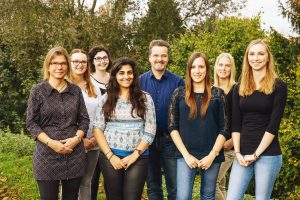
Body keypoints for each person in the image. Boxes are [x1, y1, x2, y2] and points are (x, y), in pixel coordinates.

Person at [227, 39, 287, 200]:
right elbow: (236, 123)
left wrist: (255, 154)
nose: (256, 58)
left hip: (268, 154)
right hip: (242, 153)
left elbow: (273, 125)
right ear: (247, 58)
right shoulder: (238, 87)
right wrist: (238, 152)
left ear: (268, 57)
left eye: (261, 53)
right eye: (252, 54)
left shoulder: (279, 86)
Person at [26, 47, 89, 200]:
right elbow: (31, 123)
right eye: (54, 63)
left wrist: (76, 139)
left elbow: (84, 119)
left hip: (74, 155)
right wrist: (51, 143)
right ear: (48, 66)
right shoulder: (38, 91)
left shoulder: (75, 90)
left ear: (67, 66)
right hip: (46, 156)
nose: (59, 67)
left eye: (63, 63)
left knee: (71, 197)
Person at [168, 52, 230, 200]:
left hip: (211, 155)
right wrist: (186, 155)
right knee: (183, 197)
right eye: (193, 67)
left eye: (201, 66)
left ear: (207, 70)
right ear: (189, 70)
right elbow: (172, 126)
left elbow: (225, 128)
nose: (197, 70)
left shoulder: (218, 95)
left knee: (208, 195)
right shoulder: (179, 94)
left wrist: (212, 154)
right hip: (185, 155)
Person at [93, 57, 156, 199]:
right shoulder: (106, 99)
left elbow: (150, 130)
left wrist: (134, 155)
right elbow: (97, 128)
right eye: (121, 73)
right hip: (110, 157)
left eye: (129, 73)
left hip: (138, 158)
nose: (126, 76)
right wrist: (110, 156)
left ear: (134, 75)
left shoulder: (145, 99)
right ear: (115, 76)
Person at [139, 39, 184, 200]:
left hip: (170, 140)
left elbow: (183, 111)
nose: (159, 59)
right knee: (153, 187)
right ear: (149, 57)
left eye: (163, 56)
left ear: (167, 57)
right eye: (156, 55)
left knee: (175, 187)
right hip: (146, 142)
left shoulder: (178, 82)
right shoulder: (139, 81)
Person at [69, 49, 99, 200]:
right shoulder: (64, 85)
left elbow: (101, 115)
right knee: (70, 183)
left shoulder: (93, 86)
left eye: (83, 62)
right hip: (71, 141)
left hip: (93, 142)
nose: (80, 65)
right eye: (76, 61)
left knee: (86, 182)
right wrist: (80, 140)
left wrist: (94, 139)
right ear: (70, 63)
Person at [88, 45, 111, 200]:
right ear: (93, 61)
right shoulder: (87, 80)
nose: (102, 61)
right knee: (91, 181)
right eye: (98, 58)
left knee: (112, 183)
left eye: (104, 58)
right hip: (93, 139)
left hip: (113, 139)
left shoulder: (116, 78)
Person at [213, 53, 236, 200]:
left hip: (227, 146)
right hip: (212, 146)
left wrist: (232, 141)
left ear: (232, 68)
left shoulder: (237, 89)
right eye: (220, 64)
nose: (223, 68)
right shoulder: (210, 89)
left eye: (227, 65)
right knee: (220, 185)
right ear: (215, 67)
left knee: (212, 184)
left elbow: (243, 119)